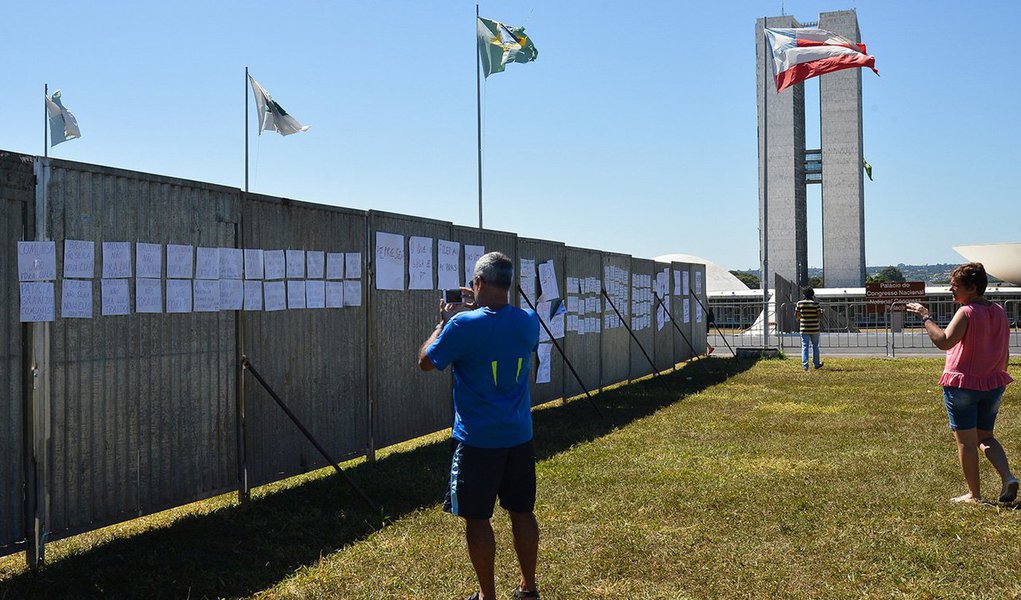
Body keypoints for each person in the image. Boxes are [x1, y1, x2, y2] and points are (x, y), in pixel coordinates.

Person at [418, 251, 542, 600]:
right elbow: (504, 323)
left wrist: (443, 322)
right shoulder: (528, 321)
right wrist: (485, 300)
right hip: (519, 437)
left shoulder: (462, 325)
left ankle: (488, 596)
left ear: (479, 283)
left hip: (478, 441)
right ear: (509, 283)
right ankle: (528, 587)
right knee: (522, 512)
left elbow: (426, 362)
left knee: (477, 519)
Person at [906, 262, 1017, 504]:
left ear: (973, 288)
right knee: (986, 437)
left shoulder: (966, 312)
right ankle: (1008, 477)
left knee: (966, 442)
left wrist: (926, 317)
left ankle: (974, 495)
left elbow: (944, 341)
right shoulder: (999, 311)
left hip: (963, 385)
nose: (950, 290)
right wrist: (1000, 375)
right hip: (993, 384)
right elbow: (1004, 350)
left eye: (955, 286)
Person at [794, 286, 824, 371]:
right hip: (814, 328)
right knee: (815, 346)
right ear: (812, 294)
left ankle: (805, 365)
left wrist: (800, 318)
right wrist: (821, 312)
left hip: (804, 328)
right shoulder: (816, 304)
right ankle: (817, 363)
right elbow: (819, 316)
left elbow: (797, 316)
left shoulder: (800, 303)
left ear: (804, 294)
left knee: (805, 346)